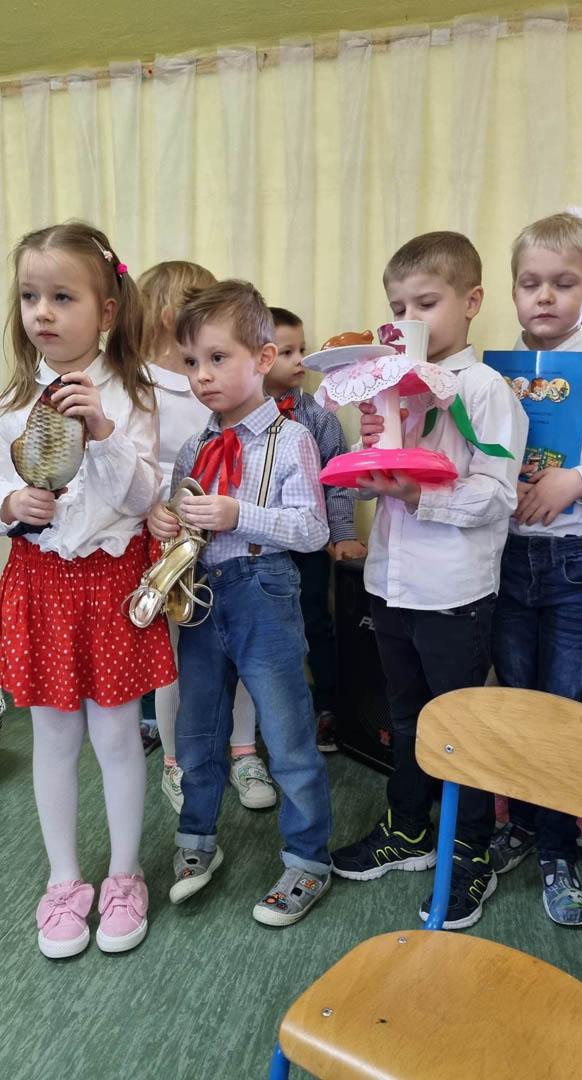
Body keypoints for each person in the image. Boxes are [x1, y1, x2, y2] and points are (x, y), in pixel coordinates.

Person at [331, 231, 528, 929]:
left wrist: (418, 494)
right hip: (391, 582)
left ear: (471, 302)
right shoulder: (395, 388)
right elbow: (382, 477)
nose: (408, 319)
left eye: (426, 302)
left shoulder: (486, 390)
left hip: (454, 593)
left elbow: (497, 496)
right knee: (407, 717)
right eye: (396, 308)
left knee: (458, 727)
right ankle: (410, 829)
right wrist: (373, 461)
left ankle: (470, 850)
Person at [0, 222, 176, 958]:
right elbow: (3, 491)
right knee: (53, 736)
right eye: (29, 296)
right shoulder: (13, 400)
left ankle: (125, 874)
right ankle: (64, 879)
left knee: (115, 735)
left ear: (105, 311)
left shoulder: (131, 395)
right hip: (41, 584)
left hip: (110, 585)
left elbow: (141, 498)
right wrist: (11, 504)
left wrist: (102, 431)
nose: (42, 312)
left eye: (62, 297)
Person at [147, 280, 333, 926]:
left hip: (264, 591)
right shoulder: (195, 446)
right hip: (202, 597)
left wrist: (239, 514)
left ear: (263, 357)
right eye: (191, 361)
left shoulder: (291, 439)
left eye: (218, 358)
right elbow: (183, 514)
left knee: (287, 734)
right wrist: (167, 521)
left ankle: (308, 860)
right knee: (197, 730)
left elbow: (313, 530)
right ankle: (197, 839)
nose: (201, 376)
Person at [490, 210, 582, 925]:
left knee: (562, 705)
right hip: (506, 558)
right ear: (512, 291)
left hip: (573, 560)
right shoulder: (496, 373)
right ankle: (526, 825)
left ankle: (558, 849)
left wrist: (579, 481)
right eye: (530, 283)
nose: (544, 296)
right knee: (515, 697)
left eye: (563, 283)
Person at [138, 261, 276, 813]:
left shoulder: (226, 381)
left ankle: (242, 750)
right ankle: (176, 762)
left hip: (233, 542)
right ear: (169, 316)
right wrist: (158, 507)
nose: (205, 370)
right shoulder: (140, 385)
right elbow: (137, 466)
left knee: (238, 650)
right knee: (176, 658)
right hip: (173, 546)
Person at [265, 306, 367, 751]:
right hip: (258, 548)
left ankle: (327, 707)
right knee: (263, 633)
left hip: (308, 546)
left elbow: (338, 481)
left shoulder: (319, 416)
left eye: (301, 350)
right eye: (286, 352)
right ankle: (263, 716)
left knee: (316, 623)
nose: (299, 361)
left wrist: (342, 535)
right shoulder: (235, 415)